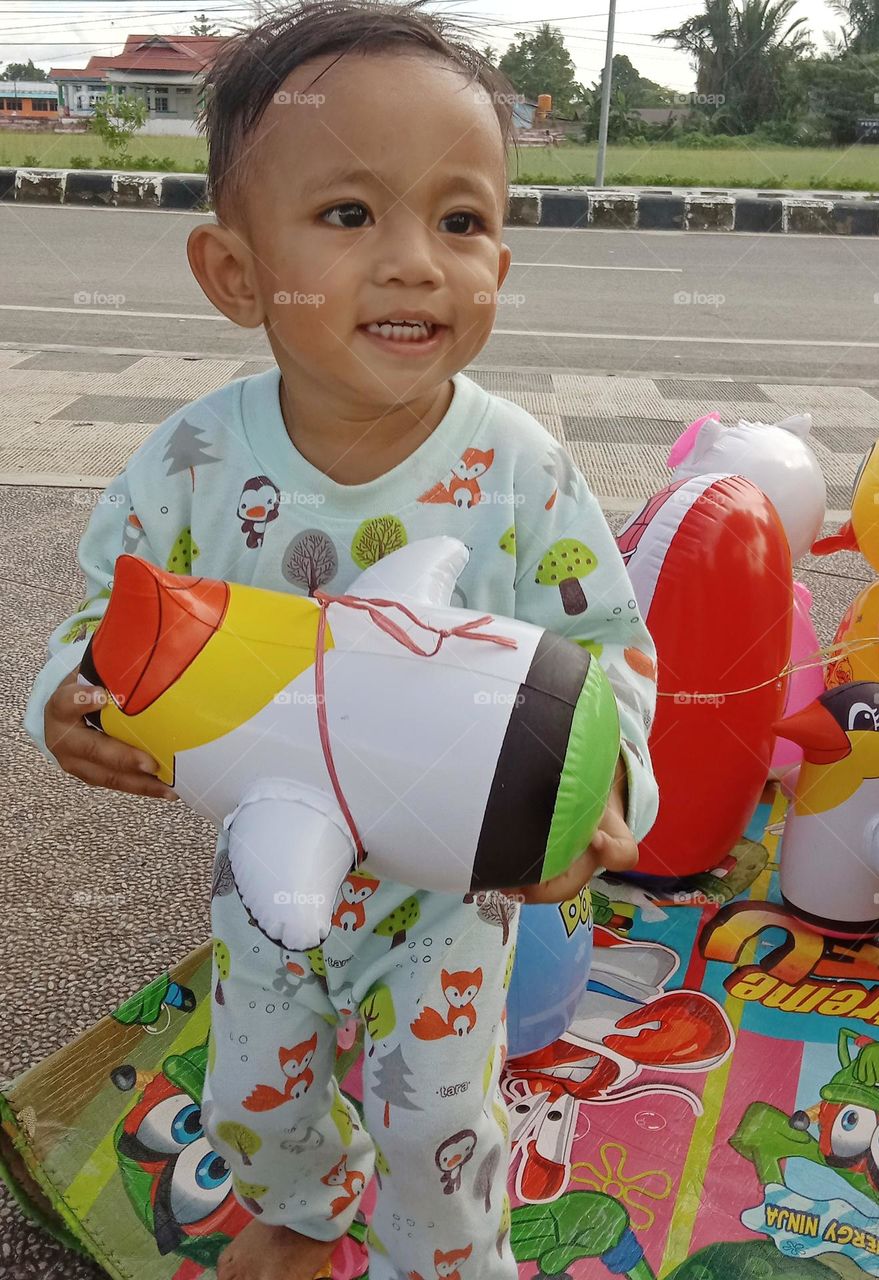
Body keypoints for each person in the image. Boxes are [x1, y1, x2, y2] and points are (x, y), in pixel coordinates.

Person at [22, 3, 659, 1278]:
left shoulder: (518, 470)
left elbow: (609, 648)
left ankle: (446, 1256)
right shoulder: (196, 462)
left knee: (438, 1118)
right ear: (237, 273)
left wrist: (612, 789)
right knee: (251, 1096)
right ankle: (302, 1206)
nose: (419, 261)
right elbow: (110, 615)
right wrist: (69, 697)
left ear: (500, 267)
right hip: (266, 880)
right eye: (353, 216)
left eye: (462, 219)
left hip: (453, 896)